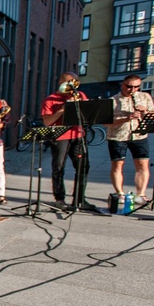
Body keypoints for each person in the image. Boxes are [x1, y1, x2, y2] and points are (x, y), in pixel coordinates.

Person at [40, 71, 94, 212]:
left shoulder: (80, 96)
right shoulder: (51, 99)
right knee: (59, 167)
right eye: (68, 82)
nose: (72, 86)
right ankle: (59, 199)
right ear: (61, 83)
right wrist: (62, 109)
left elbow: (88, 115)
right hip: (60, 137)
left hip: (78, 134)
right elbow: (47, 122)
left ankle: (79, 199)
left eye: (74, 82)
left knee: (83, 166)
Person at [109, 74, 154, 206]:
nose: (132, 90)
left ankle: (140, 194)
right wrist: (127, 118)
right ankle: (119, 193)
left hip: (139, 135)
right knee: (117, 165)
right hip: (118, 136)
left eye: (136, 87)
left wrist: (145, 112)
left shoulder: (145, 97)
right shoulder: (113, 100)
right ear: (122, 85)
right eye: (129, 86)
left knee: (142, 164)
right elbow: (106, 122)